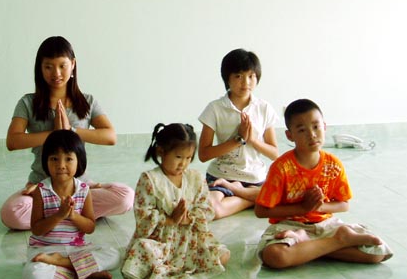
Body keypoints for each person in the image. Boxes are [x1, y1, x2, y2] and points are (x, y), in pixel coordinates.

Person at [2, 36, 134, 230]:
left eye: (62, 66)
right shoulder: (28, 103)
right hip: (41, 186)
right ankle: (71, 214)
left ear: (73, 64)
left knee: (125, 197)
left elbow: (110, 136)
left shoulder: (87, 102)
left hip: (79, 186)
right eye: (48, 67)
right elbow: (13, 141)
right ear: (40, 68)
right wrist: (55, 134)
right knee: (12, 213)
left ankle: (58, 214)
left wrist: (70, 131)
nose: (56, 73)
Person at [254, 99, 393, 269]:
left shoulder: (333, 165)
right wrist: (302, 209)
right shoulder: (281, 167)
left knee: (377, 253)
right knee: (275, 256)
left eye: (316, 127)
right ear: (290, 136)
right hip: (289, 225)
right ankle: (338, 241)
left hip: (325, 225)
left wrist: (318, 207)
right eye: (302, 130)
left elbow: (344, 205)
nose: (312, 135)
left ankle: (307, 246)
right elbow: (261, 211)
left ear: (324, 126)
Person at [122, 123, 230, 279]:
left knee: (221, 256)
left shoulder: (195, 178)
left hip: (190, 240)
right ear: (161, 151)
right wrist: (170, 220)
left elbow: (206, 209)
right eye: (178, 157)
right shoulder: (150, 179)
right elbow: (143, 217)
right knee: (140, 256)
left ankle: (176, 269)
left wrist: (190, 218)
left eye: (188, 158)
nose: (183, 163)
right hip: (161, 241)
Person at [24, 129, 120, 279]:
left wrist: (73, 215)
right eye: (54, 159)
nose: (61, 165)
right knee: (34, 274)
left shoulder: (84, 190)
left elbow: (90, 227)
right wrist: (59, 215)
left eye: (68, 159)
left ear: (79, 161)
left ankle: (63, 265)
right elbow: (36, 230)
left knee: (114, 255)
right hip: (45, 250)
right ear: (45, 161)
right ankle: (82, 272)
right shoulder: (40, 190)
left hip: (77, 249)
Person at [197, 49, 279, 219]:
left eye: (251, 76)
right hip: (222, 175)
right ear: (227, 78)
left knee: (282, 197)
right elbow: (203, 154)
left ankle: (240, 193)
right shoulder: (215, 108)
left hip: (255, 178)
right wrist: (238, 139)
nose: (246, 82)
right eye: (238, 76)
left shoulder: (264, 108)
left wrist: (252, 140)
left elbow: (274, 153)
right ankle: (251, 199)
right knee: (211, 210)